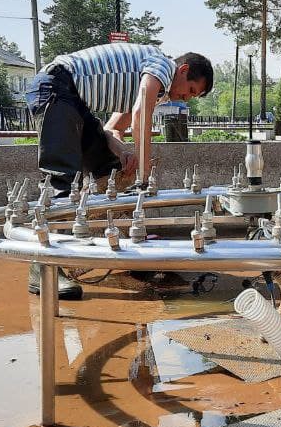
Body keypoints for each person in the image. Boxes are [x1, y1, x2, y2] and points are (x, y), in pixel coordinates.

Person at [26, 42, 213, 297]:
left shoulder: (159, 90)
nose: (186, 98)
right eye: (190, 90)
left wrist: (123, 152)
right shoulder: (162, 65)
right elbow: (140, 114)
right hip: (56, 86)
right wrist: (144, 173)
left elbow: (113, 129)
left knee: (111, 169)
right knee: (62, 181)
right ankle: (44, 268)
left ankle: (128, 251)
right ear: (183, 69)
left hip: (76, 101)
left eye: (192, 97)